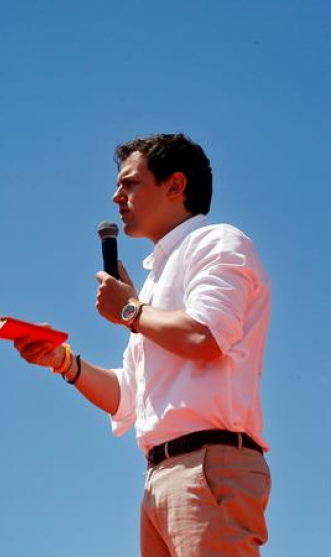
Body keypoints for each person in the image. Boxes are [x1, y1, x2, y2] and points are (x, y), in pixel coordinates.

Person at [14, 134, 272, 556]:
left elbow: (205, 335)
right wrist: (62, 361)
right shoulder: (152, 285)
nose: (116, 196)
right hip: (160, 477)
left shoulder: (218, 242)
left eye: (130, 183)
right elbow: (129, 396)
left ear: (175, 185)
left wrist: (131, 311)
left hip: (208, 465)